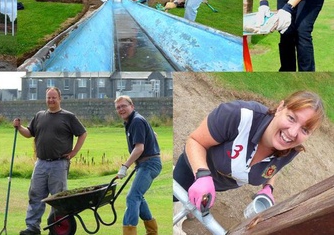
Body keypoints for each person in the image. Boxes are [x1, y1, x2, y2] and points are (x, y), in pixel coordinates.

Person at [173, 90, 325, 216]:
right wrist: (202, 175)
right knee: (173, 198)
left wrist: (268, 188)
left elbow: (274, 167)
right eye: (291, 118)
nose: (292, 133)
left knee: (193, 206)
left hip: (217, 185)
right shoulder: (238, 115)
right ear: (280, 108)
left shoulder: (291, 149)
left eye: (305, 130)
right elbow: (195, 141)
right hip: (191, 170)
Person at [13, 87, 87, 235]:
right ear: (46, 99)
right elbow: (29, 133)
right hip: (40, 164)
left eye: (54, 97)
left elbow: (83, 133)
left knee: (58, 199)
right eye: (49, 97)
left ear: (59, 99)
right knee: (35, 196)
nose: (51, 100)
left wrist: (74, 152)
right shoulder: (40, 115)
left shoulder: (68, 117)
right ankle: (32, 228)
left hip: (59, 163)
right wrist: (19, 127)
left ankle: (57, 228)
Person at [114, 96, 162, 235]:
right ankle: (152, 231)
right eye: (118, 108)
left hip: (149, 164)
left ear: (132, 106)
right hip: (146, 163)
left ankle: (129, 232)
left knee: (132, 197)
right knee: (138, 196)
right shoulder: (133, 121)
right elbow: (154, 134)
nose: (121, 109)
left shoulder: (136, 121)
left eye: (123, 106)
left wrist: (125, 166)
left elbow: (139, 148)